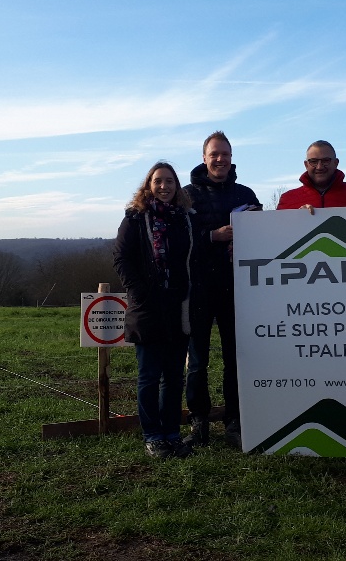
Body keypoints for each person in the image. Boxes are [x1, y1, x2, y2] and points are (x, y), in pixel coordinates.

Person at [112, 162, 200, 459]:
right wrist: (139, 291)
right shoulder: (135, 218)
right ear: (148, 185)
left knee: (174, 376)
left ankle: (172, 435)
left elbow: (193, 256)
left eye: (170, 182)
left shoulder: (186, 219)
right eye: (158, 181)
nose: (164, 186)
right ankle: (152, 437)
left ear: (177, 186)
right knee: (149, 376)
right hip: (147, 308)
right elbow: (122, 258)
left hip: (178, 307)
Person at [183, 131, 261, 448]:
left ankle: (234, 421)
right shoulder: (185, 195)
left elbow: (264, 240)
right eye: (214, 154)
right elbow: (180, 241)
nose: (220, 159)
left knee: (236, 359)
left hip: (237, 289)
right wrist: (213, 237)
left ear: (232, 157)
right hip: (199, 289)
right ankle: (199, 422)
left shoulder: (246, 193)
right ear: (204, 158)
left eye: (225, 154)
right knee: (198, 361)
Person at [277, 140, 346, 210]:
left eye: (325, 161)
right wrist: (297, 218)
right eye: (313, 161)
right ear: (306, 165)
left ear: (336, 163)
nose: (319, 167)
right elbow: (278, 232)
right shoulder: (287, 200)